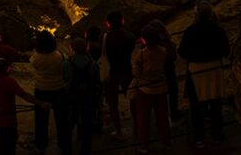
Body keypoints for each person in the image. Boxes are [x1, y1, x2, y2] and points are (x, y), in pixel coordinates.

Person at [0, 58, 50, 155]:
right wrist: (41, 104)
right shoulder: (10, 82)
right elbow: (25, 95)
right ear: (7, 69)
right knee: (9, 149)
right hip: (8, 123)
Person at [178, 0, 230, 148]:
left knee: (196, 105)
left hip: (196, 70)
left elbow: (183, 51)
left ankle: (199, 136)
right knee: (215, 103)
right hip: (214, 68)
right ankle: (217, 134)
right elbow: (225, 50)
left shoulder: (190, 31)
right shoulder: (218, 30)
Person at [131, 25, 171, 154]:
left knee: (143, 118)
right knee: (162, 116)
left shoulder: (142, 54)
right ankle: (166, 142)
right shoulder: (163, 51)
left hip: (145, 89)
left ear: (144, 40)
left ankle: (144, 146)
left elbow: (136, 73)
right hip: (161, 87)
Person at [31, 30, 70, 154]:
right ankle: (64, 144)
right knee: (62, 119)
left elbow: (33, 65)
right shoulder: (59, 56)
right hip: (59, 89)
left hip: (41, 89)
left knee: (41, 119)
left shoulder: (36, 57)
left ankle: (40, 144)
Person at [103, 11, 136, 141]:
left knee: (113, 104)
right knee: (133, 99)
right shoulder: (130, 37)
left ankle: (118, 131)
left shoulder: (105, 38)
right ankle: (137, 127)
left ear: (107, 24)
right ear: (123, 21)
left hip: (111, 73)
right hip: (126, 70)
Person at [64, 37, 100, 155]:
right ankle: (85, 149)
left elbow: (65, 79)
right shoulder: (93, 64)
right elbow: (96, 81)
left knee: (70, 122)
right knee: (87, 123)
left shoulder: (66, 64)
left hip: (72, 97)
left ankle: (66, 148)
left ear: (73, 48)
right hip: (88, 97)